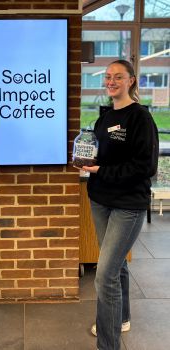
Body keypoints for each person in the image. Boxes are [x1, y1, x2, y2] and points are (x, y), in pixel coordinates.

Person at [82, 60, 159, 350]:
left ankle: (108, 344)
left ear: (131, 81)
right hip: (101, 201)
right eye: (107, 77)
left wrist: (101, 171)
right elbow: (102, 155)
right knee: (115, 267)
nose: (111, 81)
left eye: (118, 77)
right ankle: (122, 317)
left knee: (104, 275)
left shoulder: (140, 118)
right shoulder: (104, 119)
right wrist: (87, 158)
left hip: (128, 205)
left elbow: (145, 167)